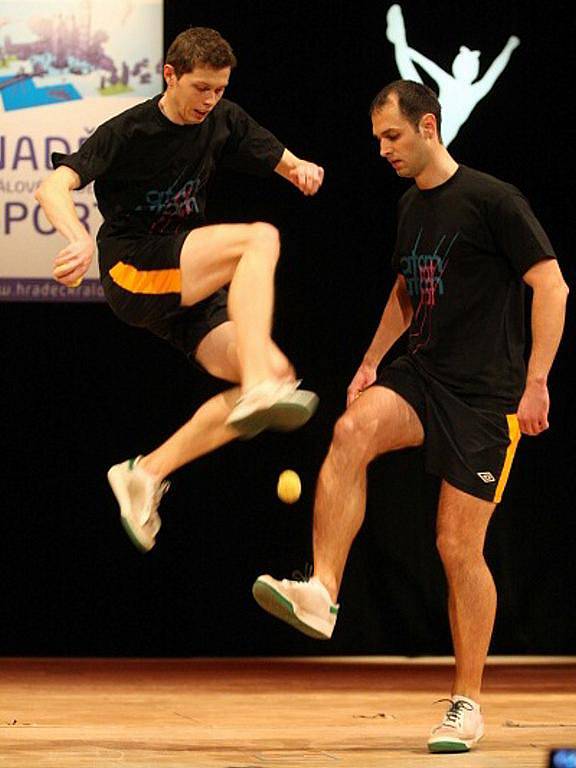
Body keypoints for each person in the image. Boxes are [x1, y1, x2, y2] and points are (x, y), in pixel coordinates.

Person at [253, 80, 568, 753]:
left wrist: (537, 381)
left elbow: (552, 284)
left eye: (391, 136)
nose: (383, 150)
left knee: (457, 548)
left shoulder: (493, 200)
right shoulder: (409, 207)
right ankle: (323, 591)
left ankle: (467, 703)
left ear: (428, 127)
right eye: (376, 140)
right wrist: (371, 363)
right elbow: (406, 288)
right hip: (422, 375)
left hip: (487, 399)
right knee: (350, 429)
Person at [35, 27, 324, 553]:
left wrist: (298, 168)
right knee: (258, 239)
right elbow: (53, 185)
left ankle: (145, 473)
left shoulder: (222, 118)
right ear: (171, 76)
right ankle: (258, 385)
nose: (210, 101)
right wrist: (76, 238)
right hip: (134, 266)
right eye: (201, 89)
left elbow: (275, 154)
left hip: (185, 283)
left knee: (278, 374)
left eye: (219, 90)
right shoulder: (129, 130)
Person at [386, 4, 520, 146]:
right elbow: (429, 65)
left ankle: (399, 41)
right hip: (429, 123)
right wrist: (509, 47)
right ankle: (399, 40)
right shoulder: (467, 88)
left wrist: (509, 48)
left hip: (435, 132)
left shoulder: (472, 90)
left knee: (412, 80)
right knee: (414, 83)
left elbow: (495, 69)